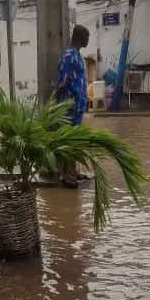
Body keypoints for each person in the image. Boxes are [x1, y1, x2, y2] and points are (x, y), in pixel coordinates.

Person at [56, 25, 90, 187]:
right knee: (68, 140)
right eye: (87, 37)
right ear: (80, 38)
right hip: (69, 106)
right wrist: (62, 102)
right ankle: (66, 175)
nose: (88, 40)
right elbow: (62, 80)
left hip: (77, 107)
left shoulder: (77, 55)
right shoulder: (69, 55)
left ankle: (72, 171)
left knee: (74, 140)